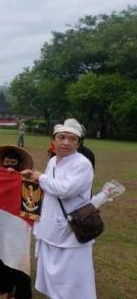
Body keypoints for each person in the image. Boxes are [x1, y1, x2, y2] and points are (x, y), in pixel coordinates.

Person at [22, 118, 96, 299]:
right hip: (50, 223)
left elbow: (65, 190)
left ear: (78, 143)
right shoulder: (54, 161)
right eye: (62, 137)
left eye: (72, 139)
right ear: (54, 140)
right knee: (52, 272)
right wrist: (32, 177)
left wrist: (41, 178)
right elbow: (50, 186)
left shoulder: (82, 164)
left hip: (71, 228)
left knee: (71, 276)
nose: (66, 143)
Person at [0, 146, 35, 299]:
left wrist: (20, 178)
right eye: (6, 162)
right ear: (1, 162)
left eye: (13, 162)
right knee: (0, 255)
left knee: (18, 258)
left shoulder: (28, 179)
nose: (9, 165)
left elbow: (31, 204)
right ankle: (5, 289)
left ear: (19, 163)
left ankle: (22, 294)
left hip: (18, 224)